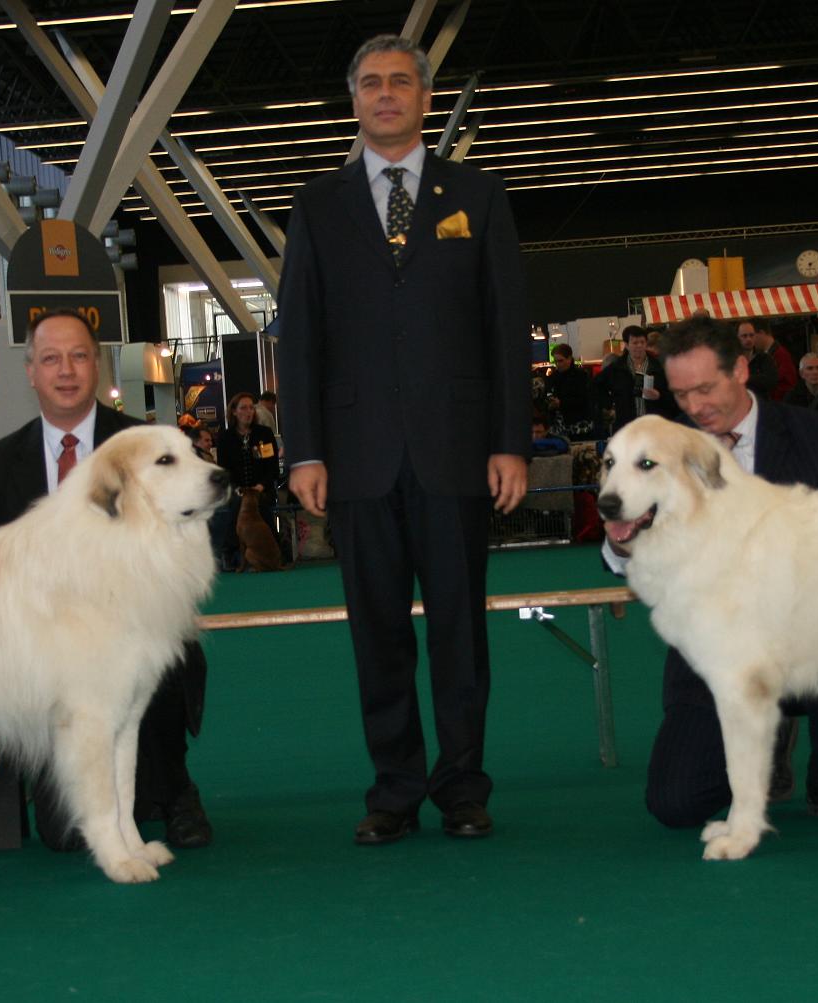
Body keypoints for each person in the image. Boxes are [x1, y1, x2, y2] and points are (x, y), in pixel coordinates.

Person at [275, 33, 530, 845]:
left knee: (460, 626)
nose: (385, 94)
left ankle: (461, 785)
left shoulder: (480, 196)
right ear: (352, 100)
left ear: (425, 98)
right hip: (355, 458)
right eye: (370, 84)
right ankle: (393, 789)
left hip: (458, 450)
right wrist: (303, 449)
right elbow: (299, 337)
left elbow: (503, 328)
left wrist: (511, 441)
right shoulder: (317, 204)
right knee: (375, 632)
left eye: (400, 82)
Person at [604, 319, 818, 831]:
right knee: (675, 805)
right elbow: (619, 549)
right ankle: (761, 746)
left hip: (808, 633)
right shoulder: (657, 447)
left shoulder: (814, 433)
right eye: (681, 393)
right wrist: (623, 540)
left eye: (706, 388)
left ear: (742, 369)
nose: (694, 407)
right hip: (713, 653)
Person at [0, 309, 213, 852]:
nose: (66, 370)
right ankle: (104, 796)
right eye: (50, 358)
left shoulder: (147, 443)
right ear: (30, 371)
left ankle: (174, 789)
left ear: (98, 368)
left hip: (134, 634)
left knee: (159, 652)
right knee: (62, 837)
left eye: (79, 356)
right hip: (48, 657)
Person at [214, 392, 280, 570]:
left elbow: (272, 466)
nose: (249, 411)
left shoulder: (264, 434)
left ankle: (269, 554)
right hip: (238, 490)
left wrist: (261, 486)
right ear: (234, 412)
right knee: (236, 506)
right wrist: (238, 489)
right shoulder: (225, 438)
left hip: (261, 489)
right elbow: (224, 469)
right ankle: (231, 553)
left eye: (251, 407)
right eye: (243, 408)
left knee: (260, 506)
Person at [594, 325, 674, 433]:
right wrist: (610, 404)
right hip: (627, 427)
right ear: (626, 345)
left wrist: (659, 395)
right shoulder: (617, 367)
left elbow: (674, 393)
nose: (639, 346)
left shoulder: (659, 366)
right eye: (635, 343)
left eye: (642, 342)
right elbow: (595, 385)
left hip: (655, 426)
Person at [544, 343, 597, 439]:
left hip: (579, 425)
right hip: (559, 425)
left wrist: (561, 403)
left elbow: (585, 399)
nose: (558, 364)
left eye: (560, 361)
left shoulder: (581, 376)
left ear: (569, 358)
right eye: (556, 361)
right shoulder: (553, 377)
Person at [746, 319, 797, 401]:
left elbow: (786, 384)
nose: (750, 340)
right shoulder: (773, 354)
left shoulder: (780, 355)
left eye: (752, 335)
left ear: (761, 333)